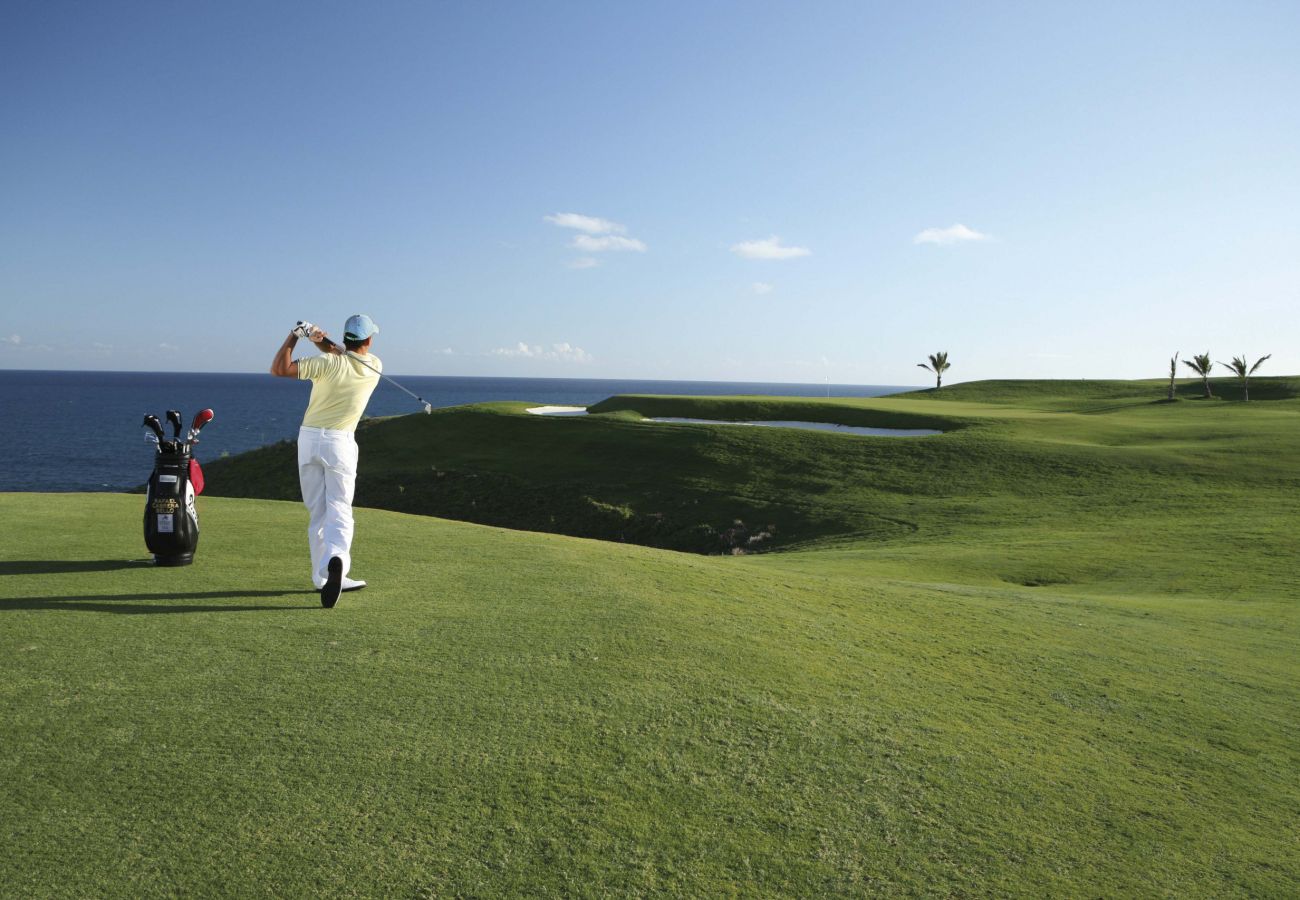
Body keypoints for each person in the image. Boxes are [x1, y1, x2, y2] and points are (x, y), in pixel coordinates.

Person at [270, 314, 382, 607]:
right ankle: (337, 563)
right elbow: (342, 357)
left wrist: (297, 335)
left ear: (345, 338)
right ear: (369, 340)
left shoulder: (326, 364)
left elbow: (279, 369)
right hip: (340, 442)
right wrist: (320, 341)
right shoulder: (375, 366)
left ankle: (322, 576)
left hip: (308, 440)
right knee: (340, 508)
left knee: (318, 510)